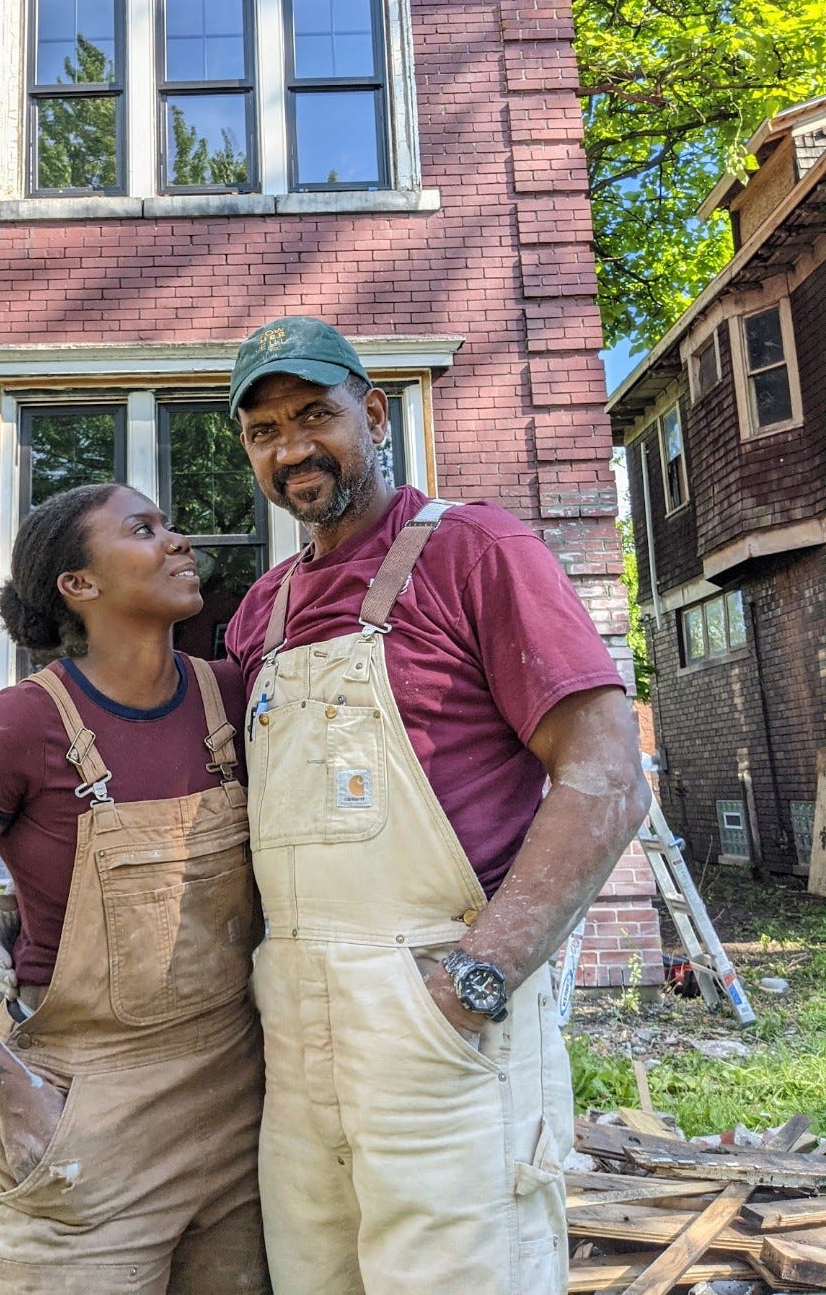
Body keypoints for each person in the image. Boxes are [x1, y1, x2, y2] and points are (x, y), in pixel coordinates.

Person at [221, 316, 651, 1295]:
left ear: (372, 412)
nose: (290, 449)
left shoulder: (476, 551)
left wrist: (476, 979)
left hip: (436, 1016)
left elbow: (607, 775)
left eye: (313, 415)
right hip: (295, 1028)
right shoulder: (261, 611)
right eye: (262, 431)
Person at [0, 482, 270, 1295]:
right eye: (145, 530)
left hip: (237, 1111)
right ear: (80, 585)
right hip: (86, 1123)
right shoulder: (16, 730)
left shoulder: (232, 695)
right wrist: (12, 1095)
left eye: (170, 523)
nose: (179, 539)